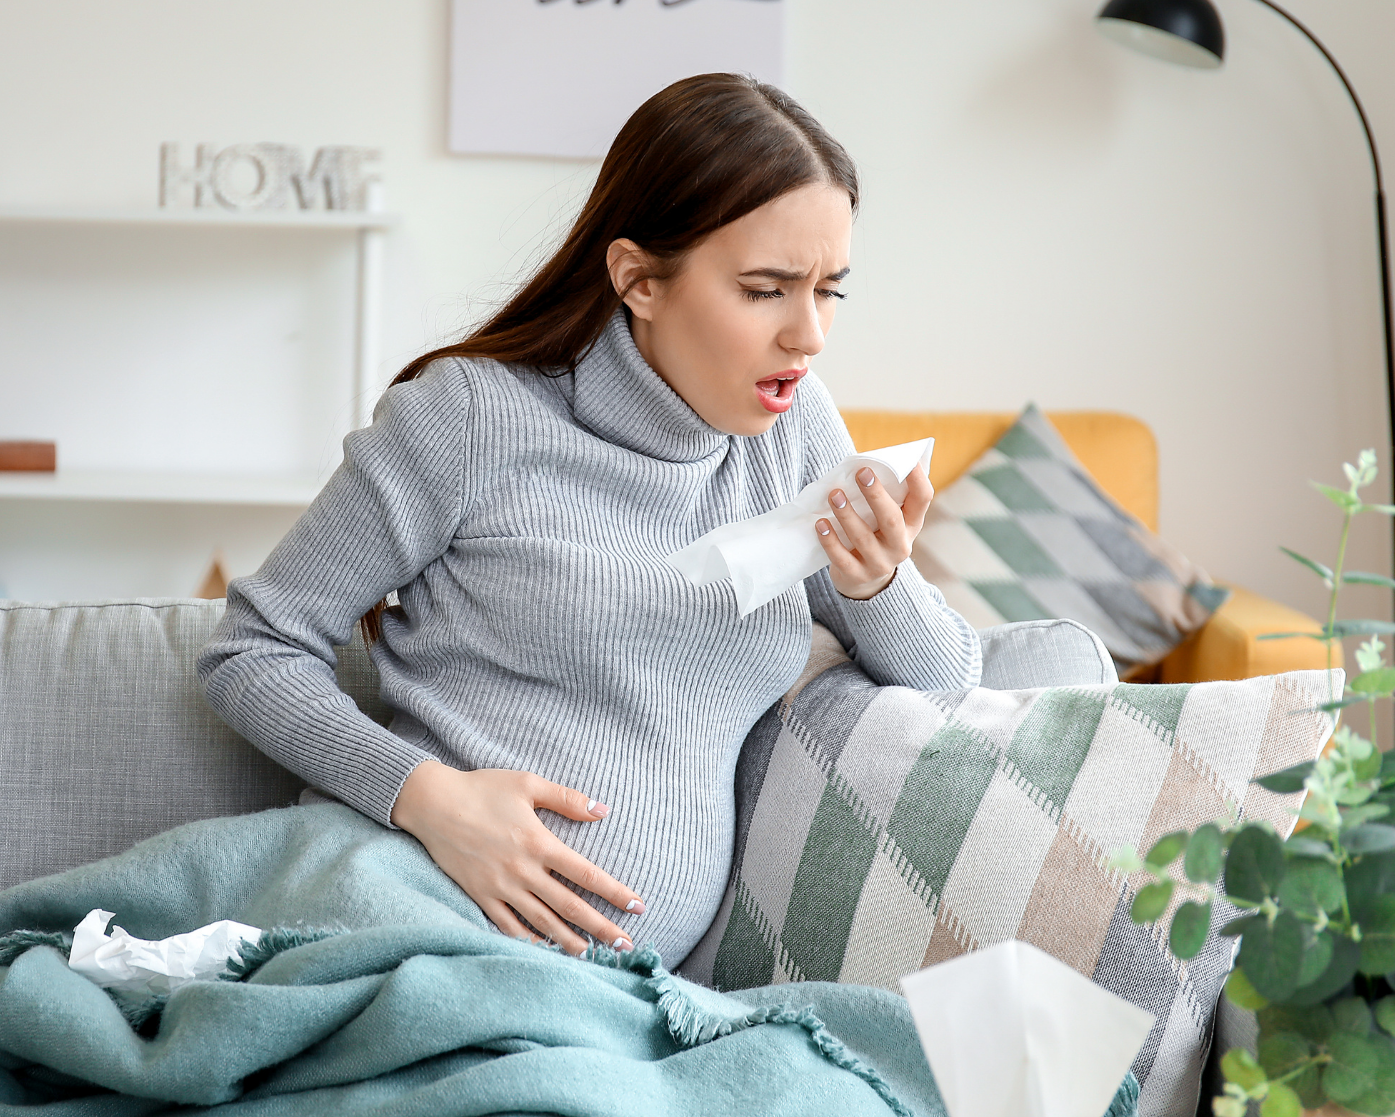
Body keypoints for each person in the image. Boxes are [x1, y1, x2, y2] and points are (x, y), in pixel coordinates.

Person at [200, 73, 981, 969]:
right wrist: (426, 798)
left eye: (830, 290)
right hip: (401, 904)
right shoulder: (467, 417)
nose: (808, 334)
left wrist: (876, 580)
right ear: (638, 279)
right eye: (766, 289)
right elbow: (251, 650)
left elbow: (948, 678)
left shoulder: (792, 434)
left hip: (595, 998)